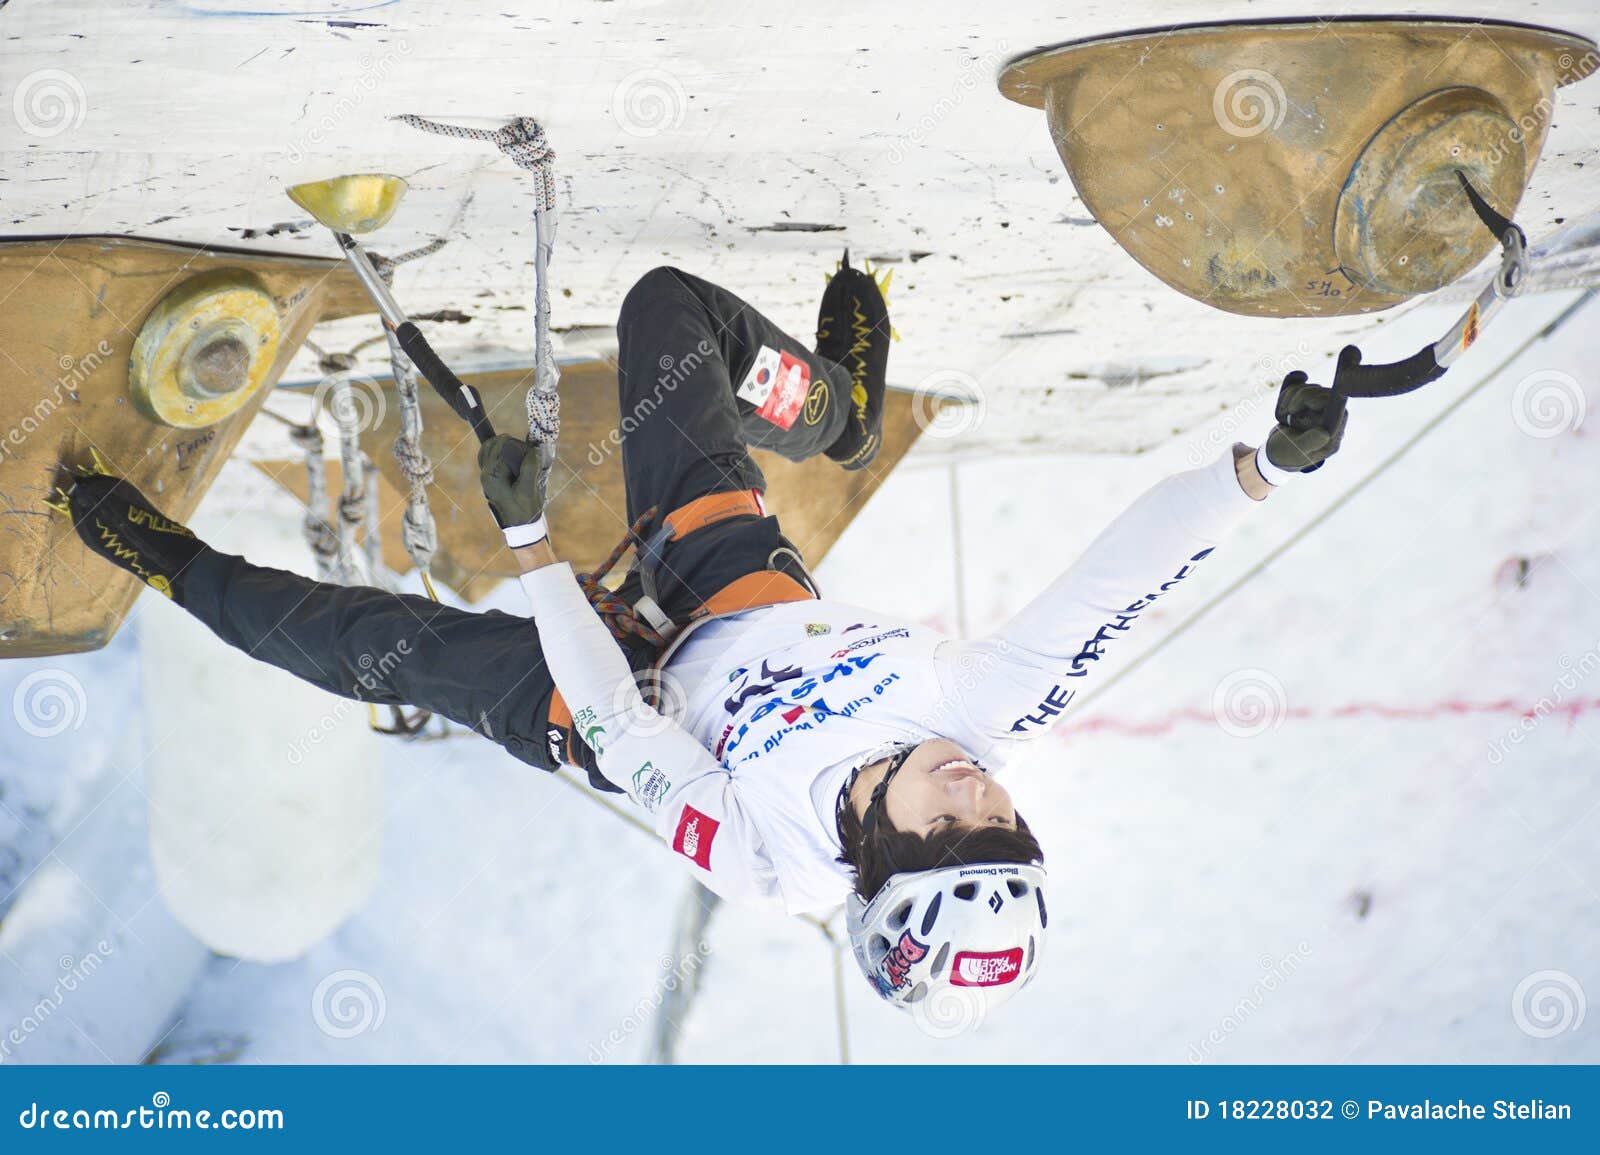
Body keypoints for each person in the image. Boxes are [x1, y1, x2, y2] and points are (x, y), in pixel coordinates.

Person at [56, 258, 1346, 1024]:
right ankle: (834, 411)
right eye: (1006, 832)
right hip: (735, 593)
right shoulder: (984, 714)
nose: (981, 800)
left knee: (368, 645)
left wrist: (526, 548)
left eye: (956, 838)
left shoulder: (772, 858)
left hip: (609, 700)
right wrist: (1261, 476)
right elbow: (1122, 583)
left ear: (879, 855)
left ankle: (163, 559)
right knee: (669, 314)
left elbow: (615, 722)